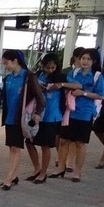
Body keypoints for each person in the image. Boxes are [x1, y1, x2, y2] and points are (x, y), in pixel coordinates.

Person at [51, 49, 104, 183]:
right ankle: (60, 168)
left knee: (80, 143)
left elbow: (101, 95)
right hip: (69, 112)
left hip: (85, 113)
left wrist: (83, 93)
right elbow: (66, 85)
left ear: (94, 61)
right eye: (83, 58)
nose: (85, 61)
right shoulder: (74, 73)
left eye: (88, 59)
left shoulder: (97, 76)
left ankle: (77, 171)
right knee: (64, 141)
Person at [0, 50, 45, 190]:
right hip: (9, 118)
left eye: (6, 63)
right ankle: (13, 176)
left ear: (15, 61)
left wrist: (37, 114)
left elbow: (40, 98)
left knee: (16, 148)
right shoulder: (8, 78)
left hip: (21, 119)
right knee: (12, 147)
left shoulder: (28, 77)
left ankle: (9, 178)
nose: (5, 66)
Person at [25, 53, 64, 184]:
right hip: (36, 114)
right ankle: (37, 168)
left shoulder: (60, 77)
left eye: (53, 67)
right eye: (48, 67)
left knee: (45, 146)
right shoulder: (38, 75)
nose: (50, 70)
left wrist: (60, 84)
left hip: (51, 116)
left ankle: (43, 173)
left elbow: (78, 86)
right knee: (29, 142)